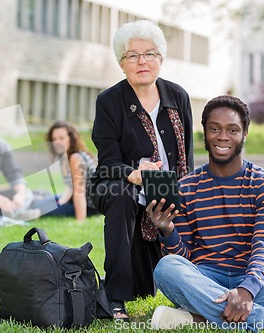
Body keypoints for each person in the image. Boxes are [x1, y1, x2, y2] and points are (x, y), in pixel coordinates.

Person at [147, 95, 264, 332]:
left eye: (232, 130)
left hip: (250, 277)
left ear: (245, 133)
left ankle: (196, 318)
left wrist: (247, 290)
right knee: (167, 268)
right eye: (214, 129)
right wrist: (167, 230)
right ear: (205, 133)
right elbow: (183, 257)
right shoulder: (186, 187)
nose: (222, 136)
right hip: (204, 277)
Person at [89, 20, 194, 320]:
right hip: (117, 182)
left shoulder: (178, 96)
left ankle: (194, 283)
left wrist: (185, 193)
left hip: (164, 186)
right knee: (122, 196)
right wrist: (134, 173)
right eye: (132, 56)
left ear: (161, 58)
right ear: (121, 64)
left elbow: (187, 157)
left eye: (149, 53)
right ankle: (115, 298)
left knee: (147, 288)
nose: (142, 61)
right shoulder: (109, 101)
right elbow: (107, 162)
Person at [30, 121, 98, 222]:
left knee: (40, 209)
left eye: (61, 138)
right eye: (54, 139)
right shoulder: (64, 157)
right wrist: (60, 203)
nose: (57, 142)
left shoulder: (76, 157)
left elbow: (79, 192)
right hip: (71, 199)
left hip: (88, 206)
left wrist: (80, 222)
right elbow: (71, 187)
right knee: (37, 203)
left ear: (71, 139)